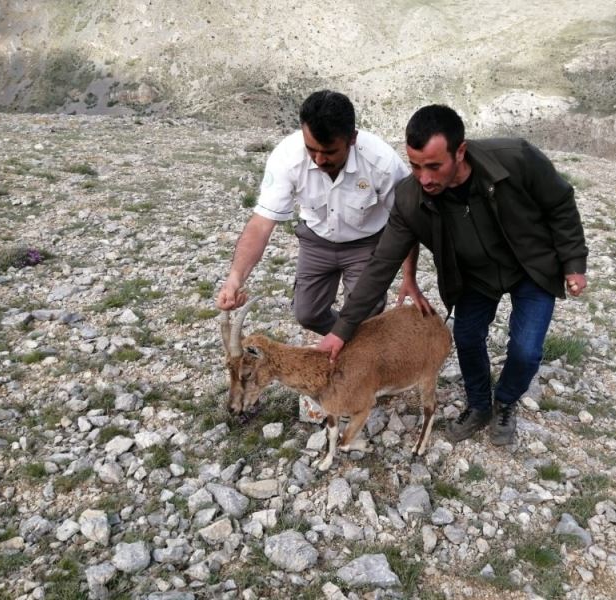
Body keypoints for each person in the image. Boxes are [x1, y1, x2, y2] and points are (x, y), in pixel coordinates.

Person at [317, 104, 588, 446]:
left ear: (460, 151)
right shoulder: (410, 199)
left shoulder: (515, 158)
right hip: (473, 276)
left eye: (434, 166)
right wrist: (341, 331)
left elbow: (560, 204)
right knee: (467, 338)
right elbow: (381, 266)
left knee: (526, 350)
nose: (424, 178)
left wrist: (573, 262)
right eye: (415, 166)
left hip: (531, 267)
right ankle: (478, 405)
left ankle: (504, 401)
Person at [216, 90, 430, 333]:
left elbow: (406, 222)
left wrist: (409, 277)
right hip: (316, 240)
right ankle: (349, 340)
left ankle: (355, 352)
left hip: (367, 243)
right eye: (311, 149)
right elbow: (261, 225)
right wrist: (235, 279)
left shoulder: (383, 163)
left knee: (365, 314)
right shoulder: (287, 157)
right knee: (307, 314)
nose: (319, 159)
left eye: (329, 152)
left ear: (352, 139)